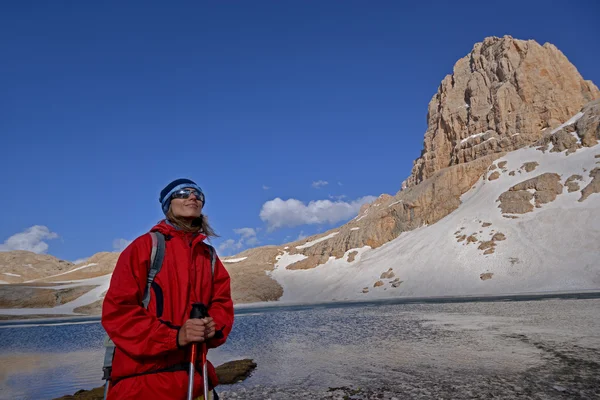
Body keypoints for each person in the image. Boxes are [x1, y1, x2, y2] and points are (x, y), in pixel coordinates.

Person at [101, 178, 234, 399]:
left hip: (195, 380)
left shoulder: (208, 256)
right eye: (183, 193)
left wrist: (213, 327)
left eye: (198, 194)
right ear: (167, 204)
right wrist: (173, 337)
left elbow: (222, 303)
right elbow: (118, 312)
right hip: (143, 384)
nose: (193, 197)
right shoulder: (145, 247)